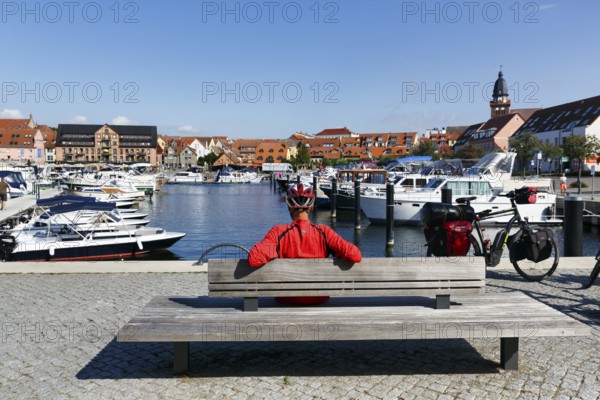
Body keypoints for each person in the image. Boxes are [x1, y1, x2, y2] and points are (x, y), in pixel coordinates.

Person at [248, 183, 362, 305]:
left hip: (286, 299)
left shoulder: (278, 232)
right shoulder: (324, 232)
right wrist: (337, 253)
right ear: (311, 207)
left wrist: (272, 252)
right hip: (318, 299)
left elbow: (254, 259)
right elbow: (355, 256)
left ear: (288, 207)